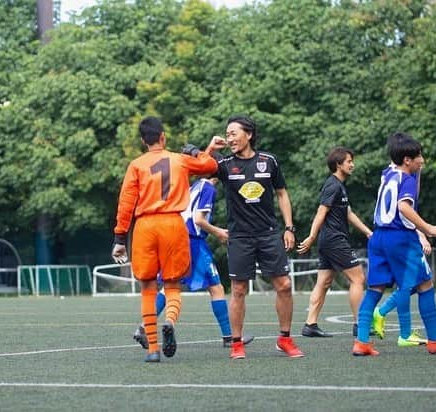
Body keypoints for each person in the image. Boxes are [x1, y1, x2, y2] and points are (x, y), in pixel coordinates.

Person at [111, 116, 226, 363]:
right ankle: (170, 322)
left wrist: (120, 238)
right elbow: (210, 167)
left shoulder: (136, 165)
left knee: (148, 289)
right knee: (173, 286)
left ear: (143, 141)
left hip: (145, 227)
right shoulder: (179, 159)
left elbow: (126, 204)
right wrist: (199, 151)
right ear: (163, 137)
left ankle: (153, 349)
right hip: (174, 224)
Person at [352, 132, 436, 356]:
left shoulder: (389, 173)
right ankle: (435, 340)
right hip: (400, 238)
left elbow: (409, 192)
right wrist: (428, 228)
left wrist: (416, 170)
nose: (422, 160)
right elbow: (404, 207)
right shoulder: (407, 180)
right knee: (425, 284)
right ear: (407, 160)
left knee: (374, 289)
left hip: (378, 238)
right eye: (419, 156)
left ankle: (362, 341)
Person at [213, 115, 303, 359]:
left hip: (269, 234)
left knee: (284, 285)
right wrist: (210, 149)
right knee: (239, 289)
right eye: (227, 134)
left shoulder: (269, 161)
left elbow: (282, 194)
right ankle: (236, 344)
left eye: (234, 133)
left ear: (249, 134)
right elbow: (202, 173)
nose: (230, 138)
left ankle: (285, 339)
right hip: (240, 237)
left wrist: (289, 227)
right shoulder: (224, 165)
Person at [133, 176, 254, 349]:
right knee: (216, 287)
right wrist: (218, 232)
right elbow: (198, 220)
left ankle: (143, 327)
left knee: (169, 288)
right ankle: (229, 337)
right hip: (193, 242)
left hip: (175, 238)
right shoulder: (209, 188)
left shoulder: (194, 186)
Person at [297, 147, 372, 338]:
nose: (352, 164)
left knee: (323, 282)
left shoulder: (339, 186)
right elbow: (321, 212)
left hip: (329, 240)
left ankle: (310, 325)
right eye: (349, 161)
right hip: (334, 240)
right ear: (338, 164)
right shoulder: (333, 185)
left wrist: (368, 232)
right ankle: (359, 324)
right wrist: (311, 236)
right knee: (358, 279)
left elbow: (349, 214)